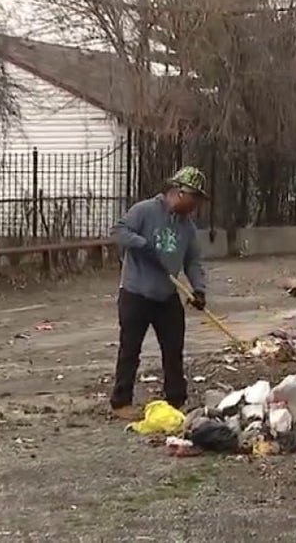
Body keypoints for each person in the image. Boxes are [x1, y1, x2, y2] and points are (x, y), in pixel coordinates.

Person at [109, 166, 209, 419]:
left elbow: (193, 261)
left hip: (166, 295)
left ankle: (175, 399)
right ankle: (121, 401)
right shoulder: (145, 210)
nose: (195, 205)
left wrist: (198, 289)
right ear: (178, 192)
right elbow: (119, 231)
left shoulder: (187, 228)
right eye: (194, 198)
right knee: (130, 349)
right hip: (136, 292)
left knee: (173, 348)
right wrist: (142, 245)